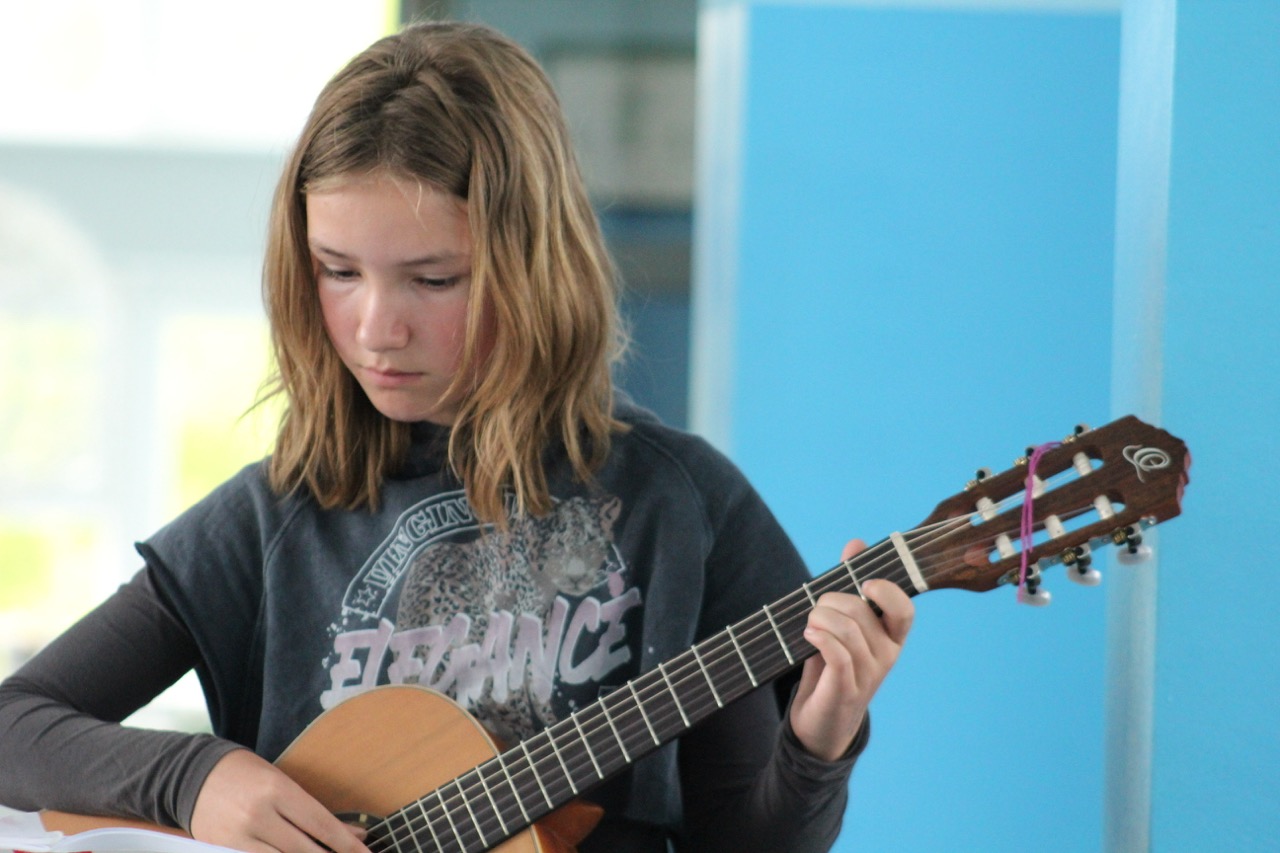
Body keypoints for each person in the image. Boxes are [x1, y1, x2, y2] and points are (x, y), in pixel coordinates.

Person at [0, 20, 913, 853]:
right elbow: (13, 725)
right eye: (337, 270)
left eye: (433, 279)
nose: (375, 328)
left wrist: (817, 745)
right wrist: (193, 777)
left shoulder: (682, 505)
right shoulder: (273, 517)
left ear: (533, 266)